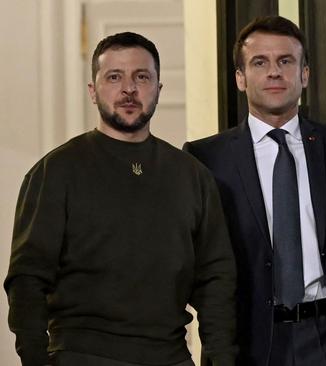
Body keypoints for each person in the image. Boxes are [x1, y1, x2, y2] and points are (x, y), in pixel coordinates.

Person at [183, 15, 326, 366]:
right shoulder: (206, 158)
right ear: (240, 78)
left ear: (304, 75)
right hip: (248, 339)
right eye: (260, 62)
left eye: (286, 61)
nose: (274, 72)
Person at [4, 32, 237, 366]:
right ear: (93, 91)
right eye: (114, 77)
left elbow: (216, 278)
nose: (129, 88)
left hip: (170, 356)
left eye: (141, 77)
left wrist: (221, 358)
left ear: (158, 88)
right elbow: (27, 280)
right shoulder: (55, 173)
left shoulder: (191, 175)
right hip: (81, 355)